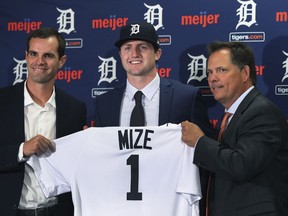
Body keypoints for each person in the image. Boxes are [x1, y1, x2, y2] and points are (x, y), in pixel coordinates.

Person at [94, 22, 216, 215]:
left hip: (170, 205)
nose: (134, 54)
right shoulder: (104, 103)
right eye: (127, 48)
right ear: (120, 55)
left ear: (157, 54)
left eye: (142, 47)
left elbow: (207, 154)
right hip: (119, 204)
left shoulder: (186, 97)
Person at [181, 41, 288, 216]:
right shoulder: (232, 115)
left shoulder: (262, 112)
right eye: (209, 72)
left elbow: (241, 165)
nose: (212, 78)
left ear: (245, 73)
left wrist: (199, 142)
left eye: (221, 70)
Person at [0, 27, 87, 216]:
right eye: (33, 54)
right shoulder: (2, 102)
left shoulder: (75, 109)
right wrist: (21, 150)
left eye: (48, 56)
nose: (39, 61)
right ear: (26, 56)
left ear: (61, 61)